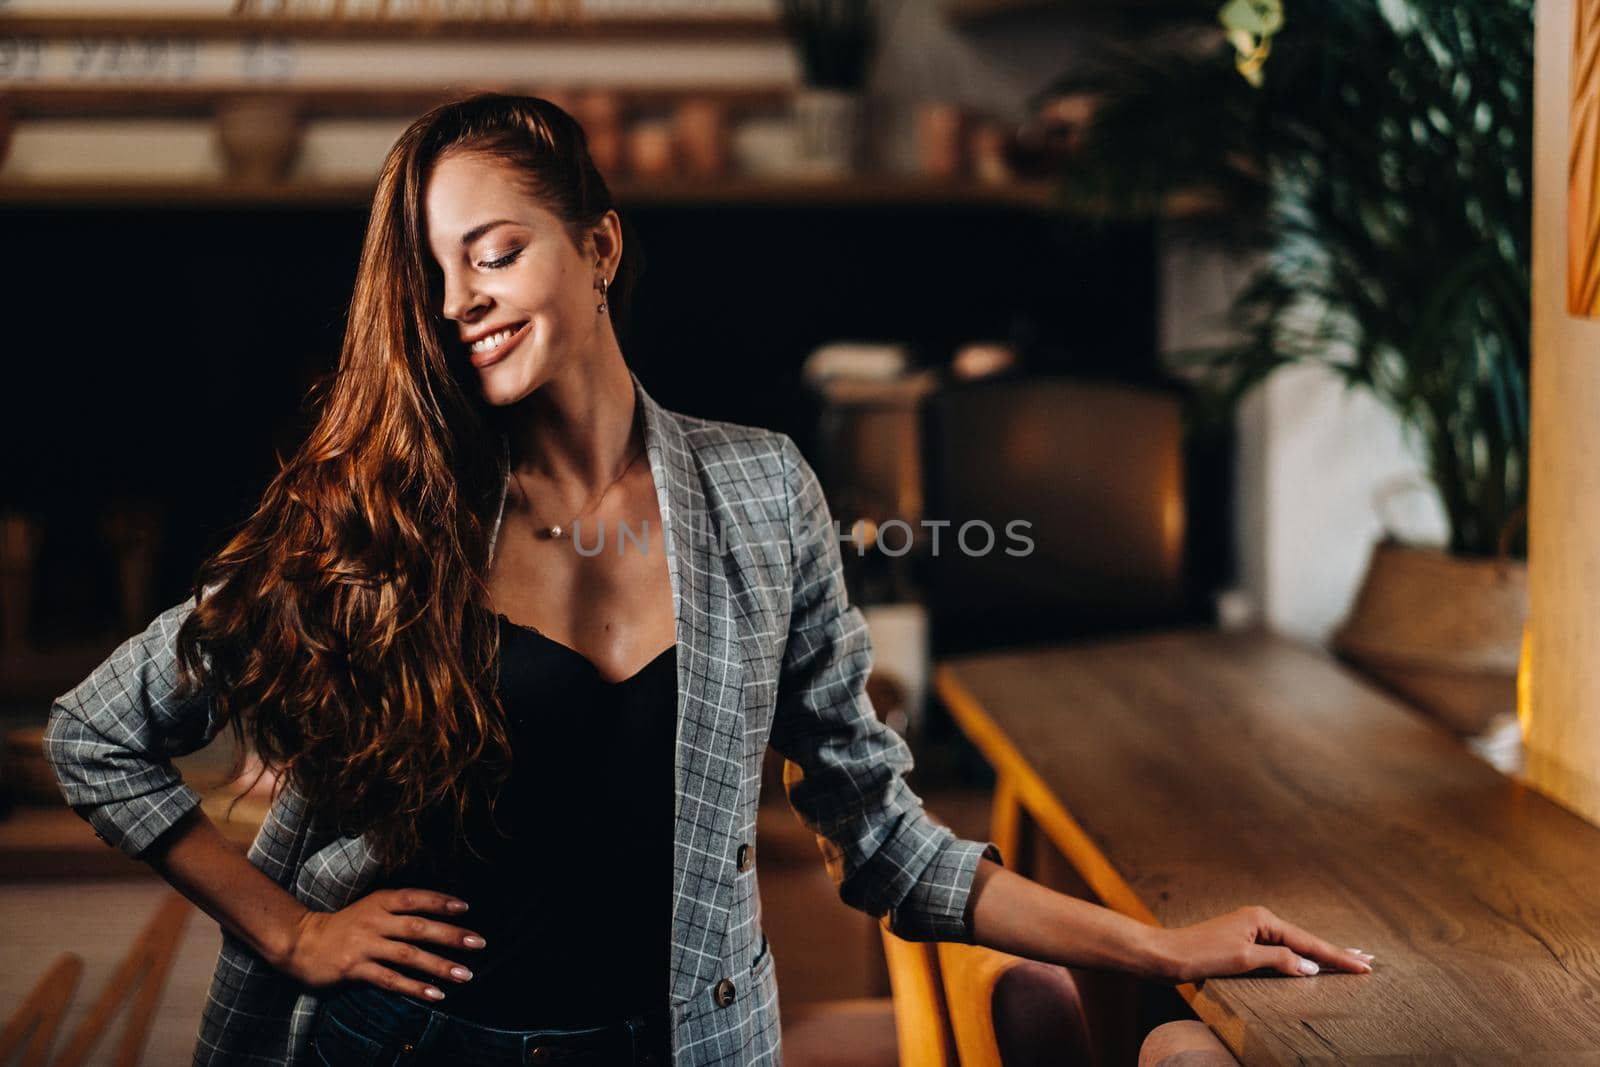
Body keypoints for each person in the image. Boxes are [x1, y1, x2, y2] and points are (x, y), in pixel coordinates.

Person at [42, 93, 1372, 1067]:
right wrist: (293, 935)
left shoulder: (761, 492)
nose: (458, 300)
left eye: (494, 251)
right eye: (434, 273)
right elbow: (99, 731)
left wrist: (1160, 946)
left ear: (601, 247)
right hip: (406, 1047)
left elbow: (887, 838)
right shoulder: (390, 512)